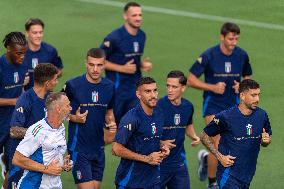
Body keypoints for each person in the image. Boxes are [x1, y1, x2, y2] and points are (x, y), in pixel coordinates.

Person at [187, 22, 252, 188]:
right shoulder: (209, 55)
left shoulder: (242, 55)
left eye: (236, 38)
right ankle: (213, 183)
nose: (234, 42)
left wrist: (242, 87)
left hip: (234, 107)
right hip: (213, 106)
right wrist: (212, 87)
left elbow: (248, 77)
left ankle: (205, 160)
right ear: (222, 37)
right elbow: (191, 79)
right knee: (218, 143)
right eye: (231, 38)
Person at [200, 79, 271, 189]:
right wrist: (219, 156)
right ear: (242, 96)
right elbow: (204, 136)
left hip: (247, 175)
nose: (257, 99)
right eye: (253, 95)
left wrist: (266, 141)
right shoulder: (225, 117)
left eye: (258, 95)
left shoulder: (262, 116)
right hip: (228, 175)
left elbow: (266, 139)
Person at [63, 48, 116, 189]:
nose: (95, 69)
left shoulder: (109, 87)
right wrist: (74, 118)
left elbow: (109, 112)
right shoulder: (72, 85)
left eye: (99, 65)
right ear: (86, 63)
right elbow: (57, 112)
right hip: (79, 149)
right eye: (92, 64)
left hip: (98, 148)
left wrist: (111, 123)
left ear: (104, 65)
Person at [8, 63, 59, 189]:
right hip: (22, 161)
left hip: (39, 161)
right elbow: (14, 131)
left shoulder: (49, 100)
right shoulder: (26, 100)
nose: (57, 82)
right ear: (47, 83)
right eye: (55, 79)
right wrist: (40, 133)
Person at [112, 77, 169, 189]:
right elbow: (116, 148)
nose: (153, 95)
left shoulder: (159, 114)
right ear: (138, 94)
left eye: (155, 90)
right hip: (130, 182)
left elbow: (150, 138)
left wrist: (163, 148)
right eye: (148, 91)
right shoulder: (131, 118)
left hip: (153, 181)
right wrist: (147, 159)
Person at [100, 2, 152, 124]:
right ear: (125, 16)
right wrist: (122, 68)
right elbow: (98, 61)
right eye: (134, 15)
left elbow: (134, 59)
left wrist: (142, 64)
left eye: (140, 15)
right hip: (117, 92)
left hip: (135, 91)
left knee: (134, 127)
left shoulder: (141, 35)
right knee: (112, 130)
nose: (138, 18)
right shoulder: (114, 38)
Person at [12, 92, 73, 189]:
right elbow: (17, 159)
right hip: (34, 185)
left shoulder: (61, 127)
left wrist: (62, 163)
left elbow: (49, 153)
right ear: (58, 109)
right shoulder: (38, 131)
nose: (71, 108)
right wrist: (47, 169)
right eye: (68, 105)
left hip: (55, 185)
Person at [158, 71, 200, 189]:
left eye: (174, 87)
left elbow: (187, 125)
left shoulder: (188, 107)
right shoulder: (158, 107)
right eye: (168, 86)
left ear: (183, 88)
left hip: (179, 163)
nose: (169, 90)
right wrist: (161, 143)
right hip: (158, 163)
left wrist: (194, 136)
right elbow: (145, 134)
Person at [0, 32, 28, 188]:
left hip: (13, 125)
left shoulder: (23, 64)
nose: (22, 56)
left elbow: (19, 90)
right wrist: (14, 101)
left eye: (24, 53)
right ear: (8, 49)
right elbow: (14, 98)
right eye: (18, 53)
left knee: (14, 166)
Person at [23, 18, 63, 90]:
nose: (38, 36)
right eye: (35, 33)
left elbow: (59, 70)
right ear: (27, 33)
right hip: (24, 96)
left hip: (45, 96)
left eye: (40, 32)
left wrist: (51, 76)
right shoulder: (19, 52)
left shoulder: (51, 51)